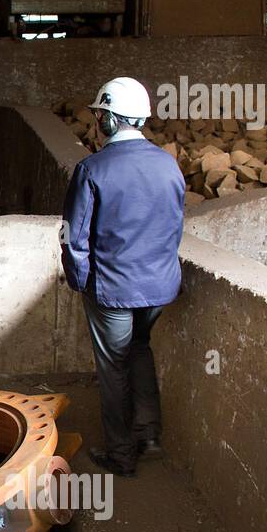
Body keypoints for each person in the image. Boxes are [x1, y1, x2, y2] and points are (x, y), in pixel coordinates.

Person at [60, 77, 185, 478]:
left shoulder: (92, 169)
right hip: (160, 287)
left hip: (114, 289)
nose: (97, 121)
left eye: (100, 115)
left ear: (111, 119)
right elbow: (174, 225)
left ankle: (121, 453)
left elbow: (74, 239)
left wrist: (81, 282)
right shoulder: (168, 164)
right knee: (141, 350)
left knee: (113, 366)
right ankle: (149, 436)